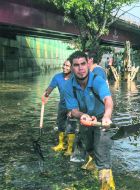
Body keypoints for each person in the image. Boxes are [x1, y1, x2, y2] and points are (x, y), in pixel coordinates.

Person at [64, 51, 115, 190]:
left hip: (101, 118)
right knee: (89, 147)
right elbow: (73, 110)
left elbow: (108, 100)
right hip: (85, 118)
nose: (80, 68)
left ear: (88, 63)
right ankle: (95, 162)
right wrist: (82, 116)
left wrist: (106, 116)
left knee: (102, 152)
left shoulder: (97, 80)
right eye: (76, 65)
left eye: (83, 64)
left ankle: (107, 184)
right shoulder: (68, 86)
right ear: (72, 67)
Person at [42, 60, 76, 156]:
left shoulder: (75, 78)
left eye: (67, 66)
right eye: (64, 65)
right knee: (60, 124)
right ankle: (61, 144)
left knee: (70, 126)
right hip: (62, 105)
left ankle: (69, 149)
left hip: (72, 106)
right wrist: (46, 94)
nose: (65, 67)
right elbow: (50, 87)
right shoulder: (57, 77)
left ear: (72, 68)